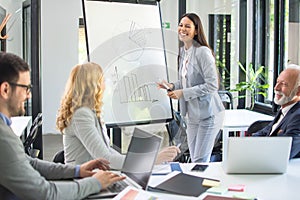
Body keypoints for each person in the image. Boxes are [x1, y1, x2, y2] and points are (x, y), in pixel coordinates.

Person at [0, 52, 125, 200]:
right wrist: (95, 183)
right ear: (5, 90)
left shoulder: (5, 129)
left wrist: (77, 171)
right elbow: (45, 193)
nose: (29, 96)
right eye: (26, 88)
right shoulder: (3, 138)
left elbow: (29, 162)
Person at [56, 62, 180, 169]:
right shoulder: (81, 115)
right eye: (102, 80)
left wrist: (150, 158)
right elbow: (105, 158)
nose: (105, 84)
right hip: (84, 179)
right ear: (94, 85)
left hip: (95, 174)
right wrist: (152, 160)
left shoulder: (91, 111)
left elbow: (109, 152)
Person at [158, 13, 225, 163]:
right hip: (193, 116)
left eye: (187, 26)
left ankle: (202, 185)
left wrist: (183, 93)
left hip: (209, 115)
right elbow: (187, 81)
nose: (182, 29)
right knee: (194, 158)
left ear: (196, 30)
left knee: (200, 160)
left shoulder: (203, 52)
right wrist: (172, 86)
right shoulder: (184, 52)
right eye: (181, 25)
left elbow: (212, 85)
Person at [253, 64, 300, 159]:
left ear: (298, 91)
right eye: (277, 82)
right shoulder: (285, 110)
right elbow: (265, 132)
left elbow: (285, 151)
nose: (276, 88)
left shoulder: (298, 116)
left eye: (284, 84)